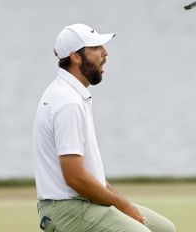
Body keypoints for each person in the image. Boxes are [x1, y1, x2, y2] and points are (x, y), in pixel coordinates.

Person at [32, 23, 176, 232]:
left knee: (164, 229)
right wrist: (125, 207)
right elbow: (75, 178)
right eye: (96, 48)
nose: (105, 53)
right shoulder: (67, 103)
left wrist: (121, 202)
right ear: (75, 57)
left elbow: (90, 174)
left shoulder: (72, 94)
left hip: (83, 203)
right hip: (65, 209)